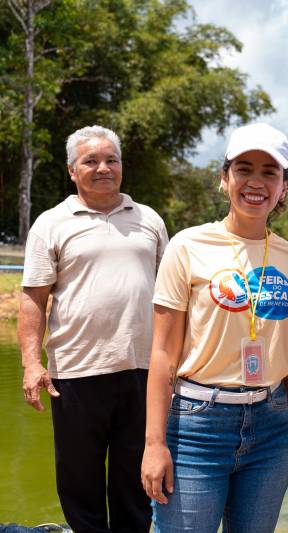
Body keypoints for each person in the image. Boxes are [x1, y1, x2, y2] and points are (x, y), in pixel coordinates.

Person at [140, 122, 288, 532]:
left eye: (270, 172)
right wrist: (154, 443)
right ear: (224, 177)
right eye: (243, 169)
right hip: (196, 428)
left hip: (271, 429)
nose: (256, 182)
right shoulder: (187, 246)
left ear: (284, 186)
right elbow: (162, 353)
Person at [18, 125, 168, 532]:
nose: (103, 168)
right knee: (79, 481)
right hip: (75, 372)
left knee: (135, 482)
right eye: (91, 161)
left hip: (143, 370)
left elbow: (169, 297)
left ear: (121, 166)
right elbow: (33, 300)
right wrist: (31, 364)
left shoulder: (149, 219)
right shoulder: (50, 224)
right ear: (72, 170)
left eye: (111, 160)